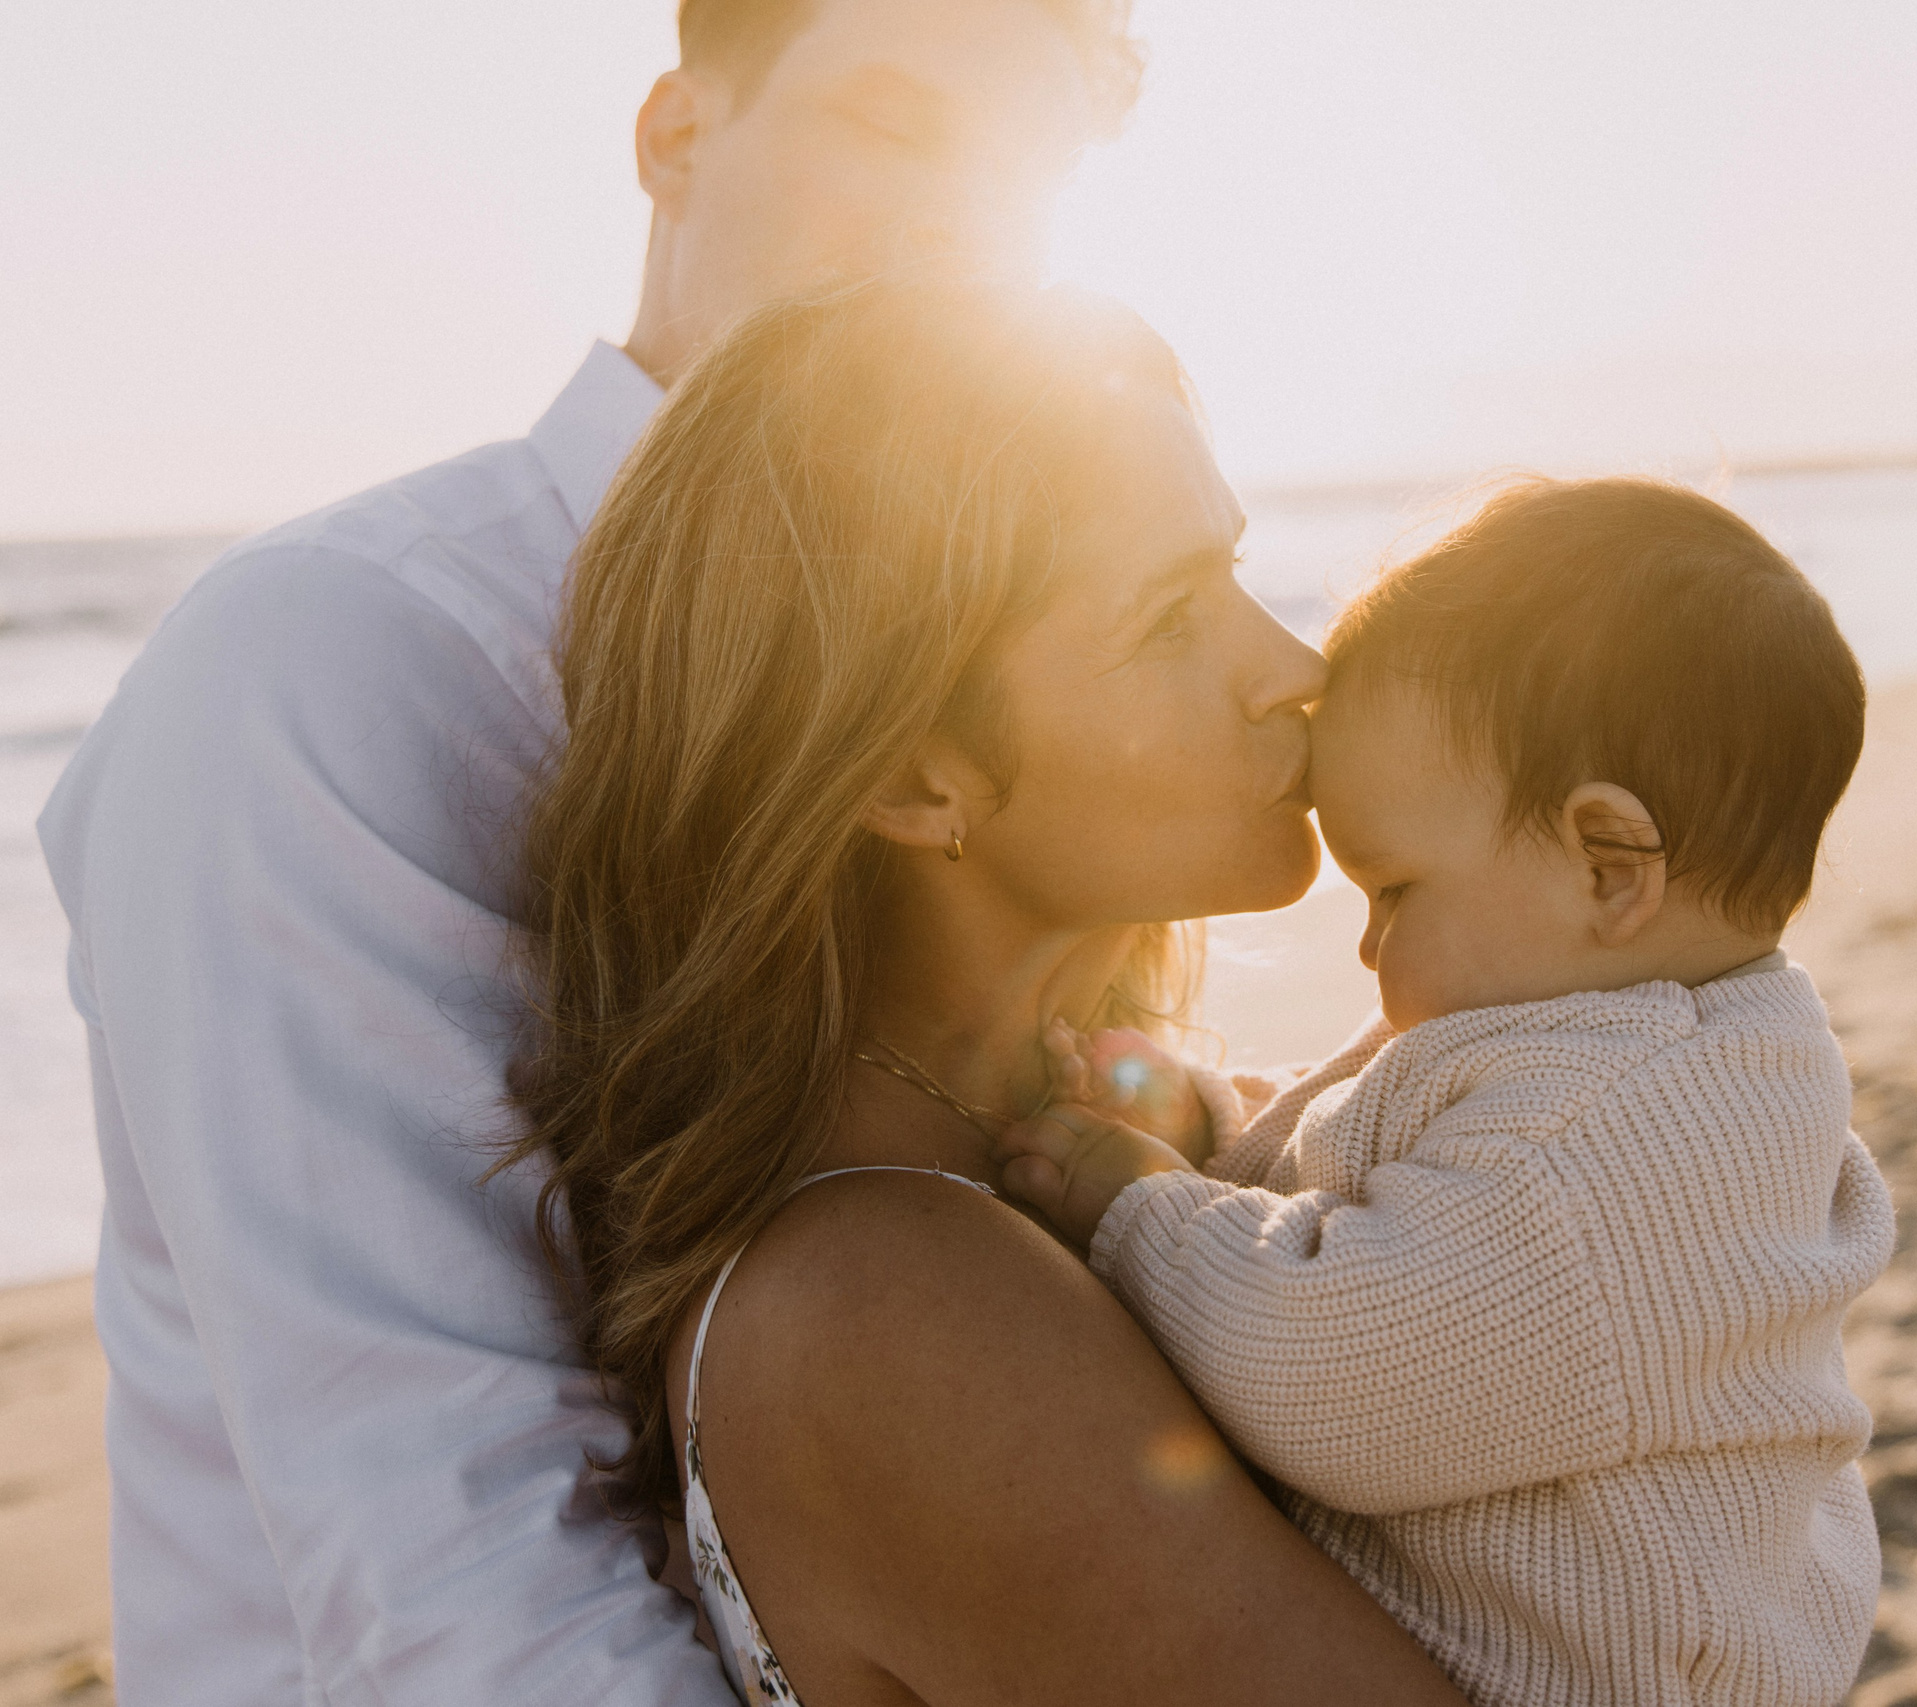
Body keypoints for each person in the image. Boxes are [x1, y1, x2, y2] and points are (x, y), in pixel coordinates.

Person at [37, 2, 1136, 1699]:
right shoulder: (342, 666)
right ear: (675, 139)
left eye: (1029, 180)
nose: (960, 232)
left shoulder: (994, 686)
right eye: (897, 129)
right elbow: (464, 1580)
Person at [511, 278, 1470, 1704]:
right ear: (916, 773)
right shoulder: (877, 1309)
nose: (1294, 666)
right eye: (1168, 618)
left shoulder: (1070, 1126)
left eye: (1234, 573)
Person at [1000, 478, 1898, 1705]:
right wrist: (1205, 1121)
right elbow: (1388, 1166)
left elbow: (1331, 1373)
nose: (1369, 947)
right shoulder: (1641, 1053)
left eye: (1393, 890)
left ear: (1607, 865)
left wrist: (1140, 1201)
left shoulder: (1607, 1144)